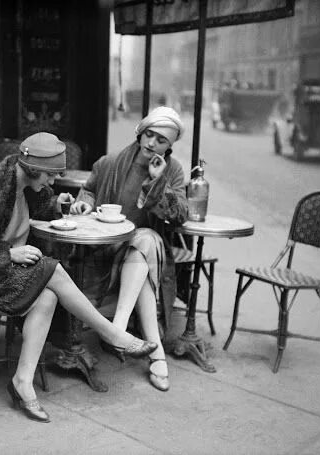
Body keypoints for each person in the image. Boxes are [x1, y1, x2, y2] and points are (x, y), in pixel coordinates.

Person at [0, 132, 157, 423]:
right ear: (33, 168)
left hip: (8, 271)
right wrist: (8, 254)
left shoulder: (24, 182)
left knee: (49, 294)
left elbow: (40, 206)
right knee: (52, 268)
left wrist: (58, 203)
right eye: (50, 176)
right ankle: (112, 333)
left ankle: (22, 382)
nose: (52, 182)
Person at [70, 106, 188, 392]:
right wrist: (83, 202)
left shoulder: (172, 171)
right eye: (149, 135)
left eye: (161, 140)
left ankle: (118, 328)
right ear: (140, 132)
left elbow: (180, 215)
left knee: (145, 239)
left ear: (169, 146)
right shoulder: (109, 163)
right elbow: (88, 191)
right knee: (142, 260)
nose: (152, 143)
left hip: (144, 249)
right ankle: (155, 353)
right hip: (106, 251)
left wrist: (158, 181)